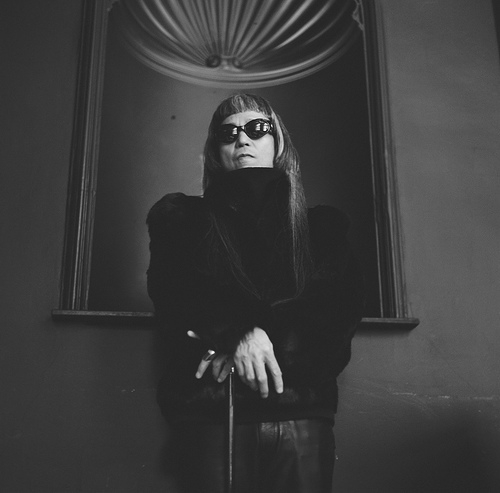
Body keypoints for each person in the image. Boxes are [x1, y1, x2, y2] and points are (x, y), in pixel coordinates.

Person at [146, 94, 365, 493]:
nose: (242, 139)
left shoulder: (322, 229)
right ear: (216, 150)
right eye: (228, 133)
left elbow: (334, 313)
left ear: (278, 142)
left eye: (256, 128)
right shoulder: (181, 220)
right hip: (212, 415)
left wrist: (252, 336)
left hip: (300, 417)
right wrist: (241, 333)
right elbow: (176, 295)